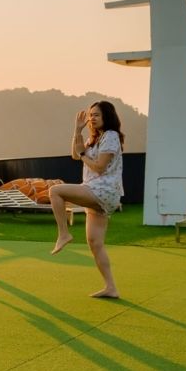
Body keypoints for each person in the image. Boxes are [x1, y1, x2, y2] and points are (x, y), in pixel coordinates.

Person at [48, 100, 124, 299]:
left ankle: (64, 234)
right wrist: (77, 130)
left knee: (55, 191)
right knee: (95, 243)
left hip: (102, 190)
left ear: (107, 116)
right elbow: (75, 154)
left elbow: (99, 167)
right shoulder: (95, 138)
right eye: (91, 115)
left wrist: (83, 154)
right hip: (98, 192)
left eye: (96, 115)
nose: (92, 118)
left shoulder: (111, 136)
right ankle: (111, 288)